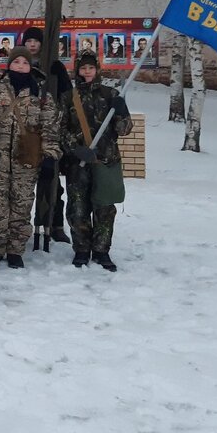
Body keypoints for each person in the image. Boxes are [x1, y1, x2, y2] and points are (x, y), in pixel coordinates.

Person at [0, 46, 60, 269]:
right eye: (16, 62)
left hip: (27, 161)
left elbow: (50, 129)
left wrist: (49, 156)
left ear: (31, 66)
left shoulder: (41, 95)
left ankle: (15, 250)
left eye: (25, 63)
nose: (20, 66)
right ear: (9, 64)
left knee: (21, 205)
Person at [60, 51, 133, 271]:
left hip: (106, 161)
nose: (87, 72)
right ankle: (82, 250)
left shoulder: (111, 94)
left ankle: (102, 251)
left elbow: (124, 129)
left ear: (97, 69)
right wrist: (76, 148)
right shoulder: (68, 97)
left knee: (104, 208)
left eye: (91, 68)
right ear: (77, 70)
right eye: (83, 68)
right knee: (78, 209)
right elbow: (59, 128)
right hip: (78, 164)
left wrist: (121, 111)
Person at [21, 26, 73, 244]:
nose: (32, 44)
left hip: (50, 130)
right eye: (29, 41)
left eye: (36, 41)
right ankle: (22, 228)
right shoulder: (20, 64)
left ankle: (56, 225)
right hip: (25, 134)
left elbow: (66, 96)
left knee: (52, 184)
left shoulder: (55, 66)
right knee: (23, 186)